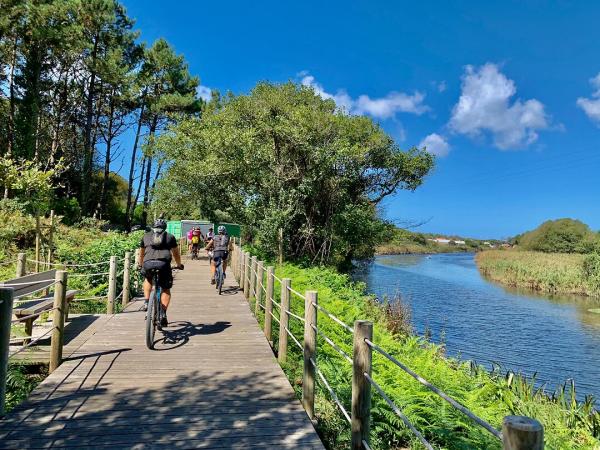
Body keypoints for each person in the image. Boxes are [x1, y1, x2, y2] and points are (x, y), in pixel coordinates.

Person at [139, 219, 184, 327]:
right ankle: (163, 313)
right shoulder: (170, 237)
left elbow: (141, 254)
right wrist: (179, 264)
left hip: (148, 263)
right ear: (165, 228)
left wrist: (141, 265)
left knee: (148, 279)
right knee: (166, 288)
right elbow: (176, 254)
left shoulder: (146, 236)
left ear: (152, 226)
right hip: (163, 264)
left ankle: (146, 301)